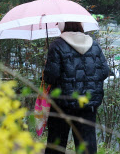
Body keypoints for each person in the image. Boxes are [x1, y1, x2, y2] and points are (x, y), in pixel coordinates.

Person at [42, 21, 110, 154]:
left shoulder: (57, 45)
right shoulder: (94, 45)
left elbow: (52, 77)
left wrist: (46, 71)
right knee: (86, 144)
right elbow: (104, 72)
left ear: (63, 26)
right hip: (88, 103)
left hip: (62, 103)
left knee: (57, 142)